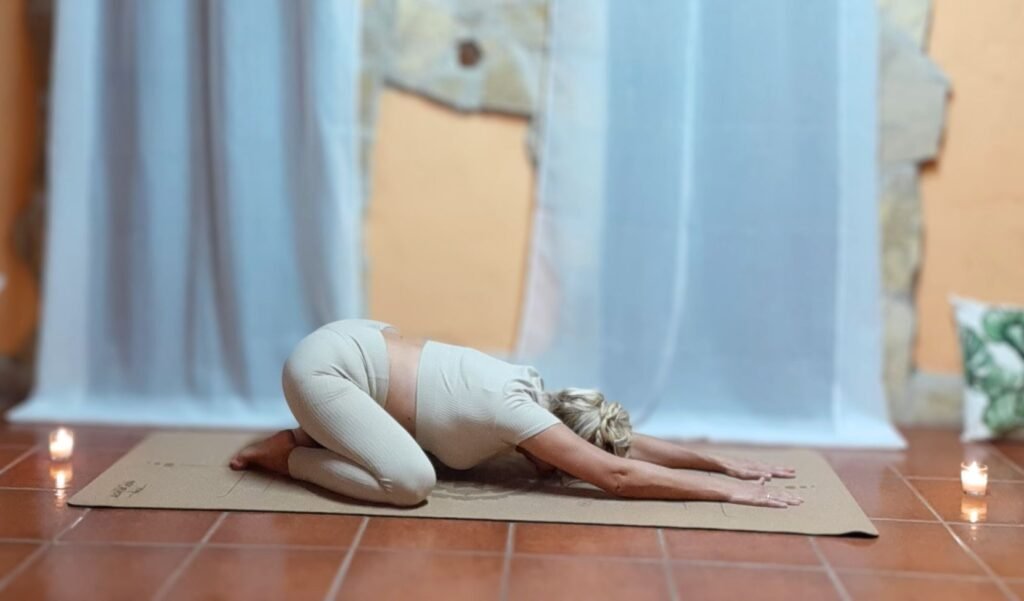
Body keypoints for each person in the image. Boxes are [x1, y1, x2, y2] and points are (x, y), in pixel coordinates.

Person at [230, 319, 802, 508]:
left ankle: (327, 431)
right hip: (323, 370)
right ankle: (288, 455)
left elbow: (619, 447)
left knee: (416, 443)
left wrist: (719, 464)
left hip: (356, 340)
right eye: (562, 462)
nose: (559, 468)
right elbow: (616, 473)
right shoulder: (512, 412)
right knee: (410, 483)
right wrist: (728, 497)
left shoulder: (541, 397)